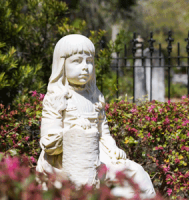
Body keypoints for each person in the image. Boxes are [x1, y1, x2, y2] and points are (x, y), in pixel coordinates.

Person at [36, 34, 155, 198]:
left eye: (89, 61)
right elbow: (48, 141)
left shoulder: (95, 97)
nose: (85, 67)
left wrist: (113, 148)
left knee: (137, 173)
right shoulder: (57, 97)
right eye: (77, 61)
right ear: (62, 64)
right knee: (86, 182)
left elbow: (103, 132)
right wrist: (75, 133)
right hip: (64, 160)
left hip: (99, 155)